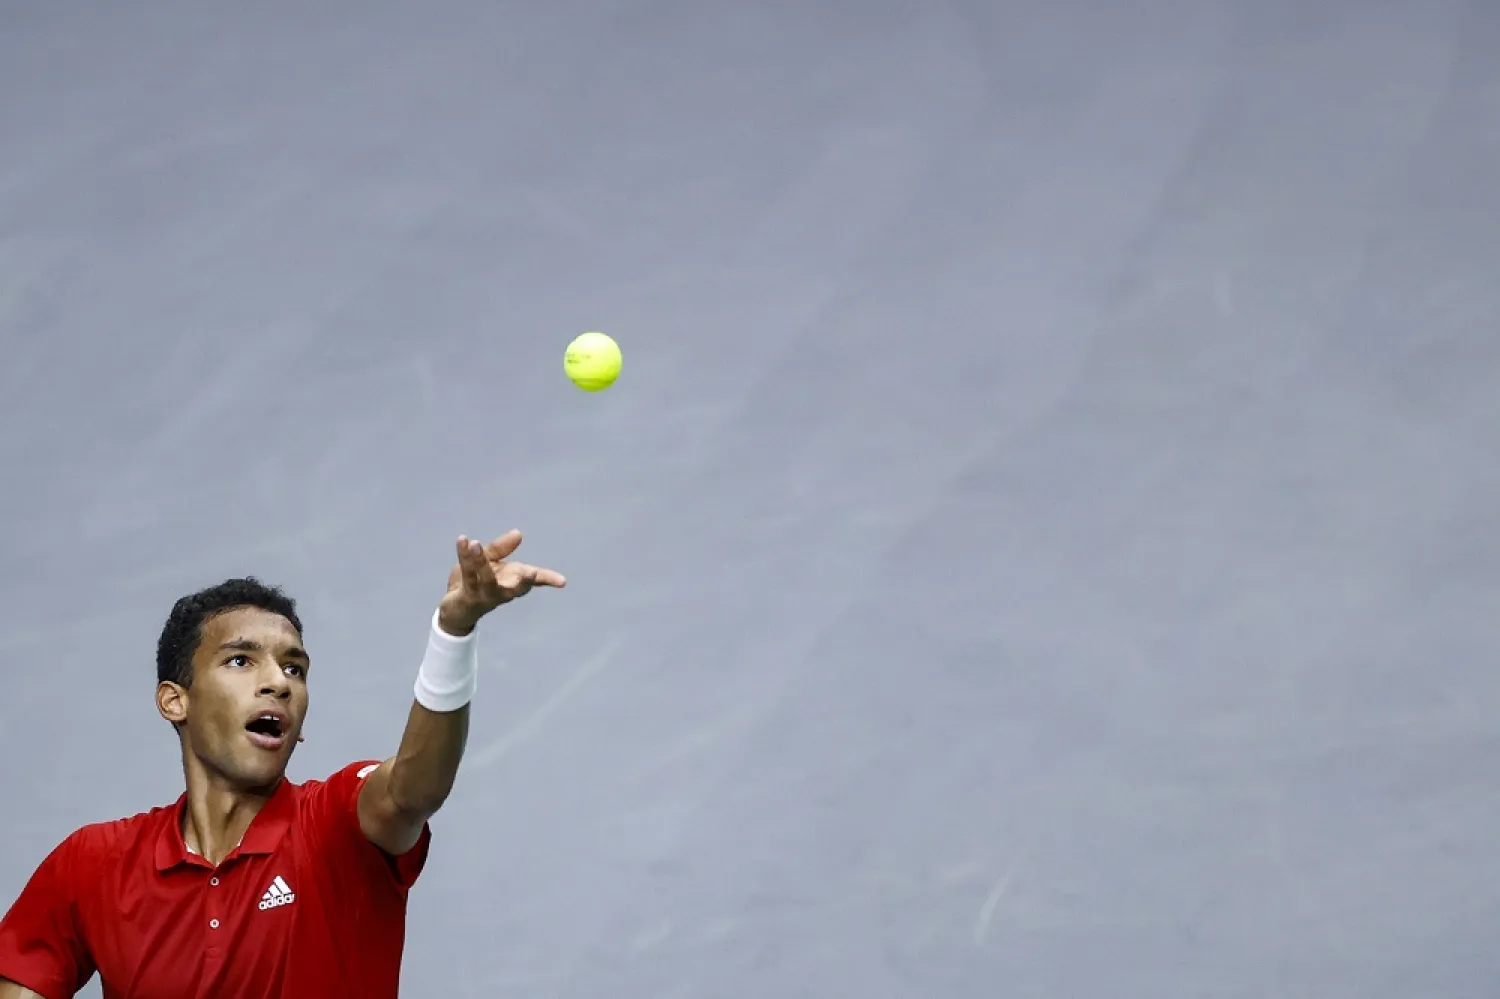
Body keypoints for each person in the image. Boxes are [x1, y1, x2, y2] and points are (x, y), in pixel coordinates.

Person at [0, 530, 564, 999]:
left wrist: (455, 628)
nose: (278, 682)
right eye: (241, 660)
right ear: (176, 699)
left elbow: (411, 791)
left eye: (295, 669)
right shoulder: (94, 865)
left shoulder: (338, 822)